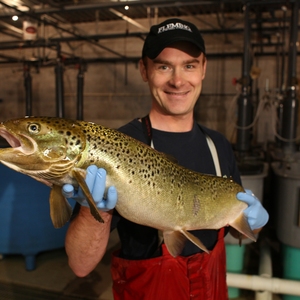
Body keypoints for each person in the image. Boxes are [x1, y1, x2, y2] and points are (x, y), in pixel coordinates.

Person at [63, 18, 269, 300]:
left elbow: (238, 231)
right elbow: (81, 265)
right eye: (163, 66)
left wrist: (254, 222)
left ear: (203, 69)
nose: (178, 80)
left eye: (189, 65)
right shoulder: (114, 146)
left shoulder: (218, 146)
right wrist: (91, 212)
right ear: (144, 70)